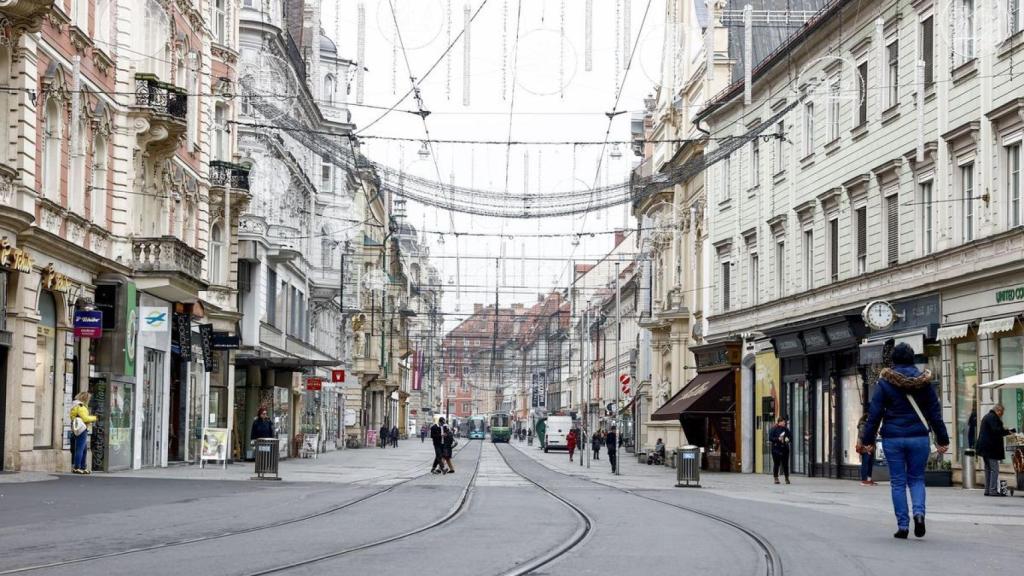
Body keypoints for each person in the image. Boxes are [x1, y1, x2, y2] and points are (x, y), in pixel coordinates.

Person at [859, 343, 949, 540]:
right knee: (917, 479)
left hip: (894, 438)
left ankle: (903, 526)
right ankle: (919, 514)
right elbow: (935, 414)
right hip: (919, 438)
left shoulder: (884, 384)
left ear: (893, 360)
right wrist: (943, 439)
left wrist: (867, 440)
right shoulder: (924, 383)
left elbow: (874, 415)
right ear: (912, 359)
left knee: (898, 482)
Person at [976, 404, 1017, 497]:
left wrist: (1003, 429)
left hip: (984, 448)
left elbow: (993, 430)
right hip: (990, 448)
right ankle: (993, 490)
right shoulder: (993, 417)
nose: (1001, 415)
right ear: (998, 411)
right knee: (994, 469)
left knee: (988, 469)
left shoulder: (987, 416)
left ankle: (987, 490)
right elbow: (996, 431)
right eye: (1001, 413)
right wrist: (1007, 432)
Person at [69, 392, 97, 474]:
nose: (89, 400)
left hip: (76, 428)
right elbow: (85, 418)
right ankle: (77, 467)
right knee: (80, 449)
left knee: (84, 449)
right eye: (88, 399)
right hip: (82, 429)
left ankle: (83, 467)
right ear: (85, 399)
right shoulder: (81, 406)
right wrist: (95, 418)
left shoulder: (75, 405)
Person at [769, 417, 792, 485]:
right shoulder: (774, 429)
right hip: (776, 449)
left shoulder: (786, 429)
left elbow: (790, 437)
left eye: (784, 422)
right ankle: (776, 477)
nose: (784, 423)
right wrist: (778, 439)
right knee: (776, 464)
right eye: (783, 422)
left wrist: (788, 440)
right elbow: (770, 438)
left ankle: (786, 478)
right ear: (779, 422)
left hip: (785, 449)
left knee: (785, 464)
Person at [857, 413, 876, 486]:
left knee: (870, 463)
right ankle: (864, 479)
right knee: (865, 463)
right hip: (865, 447)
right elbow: (861, 436)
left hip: (870, 446)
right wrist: (865, 447)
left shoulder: (869, 426)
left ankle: (869, 479)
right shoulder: (863, 425)